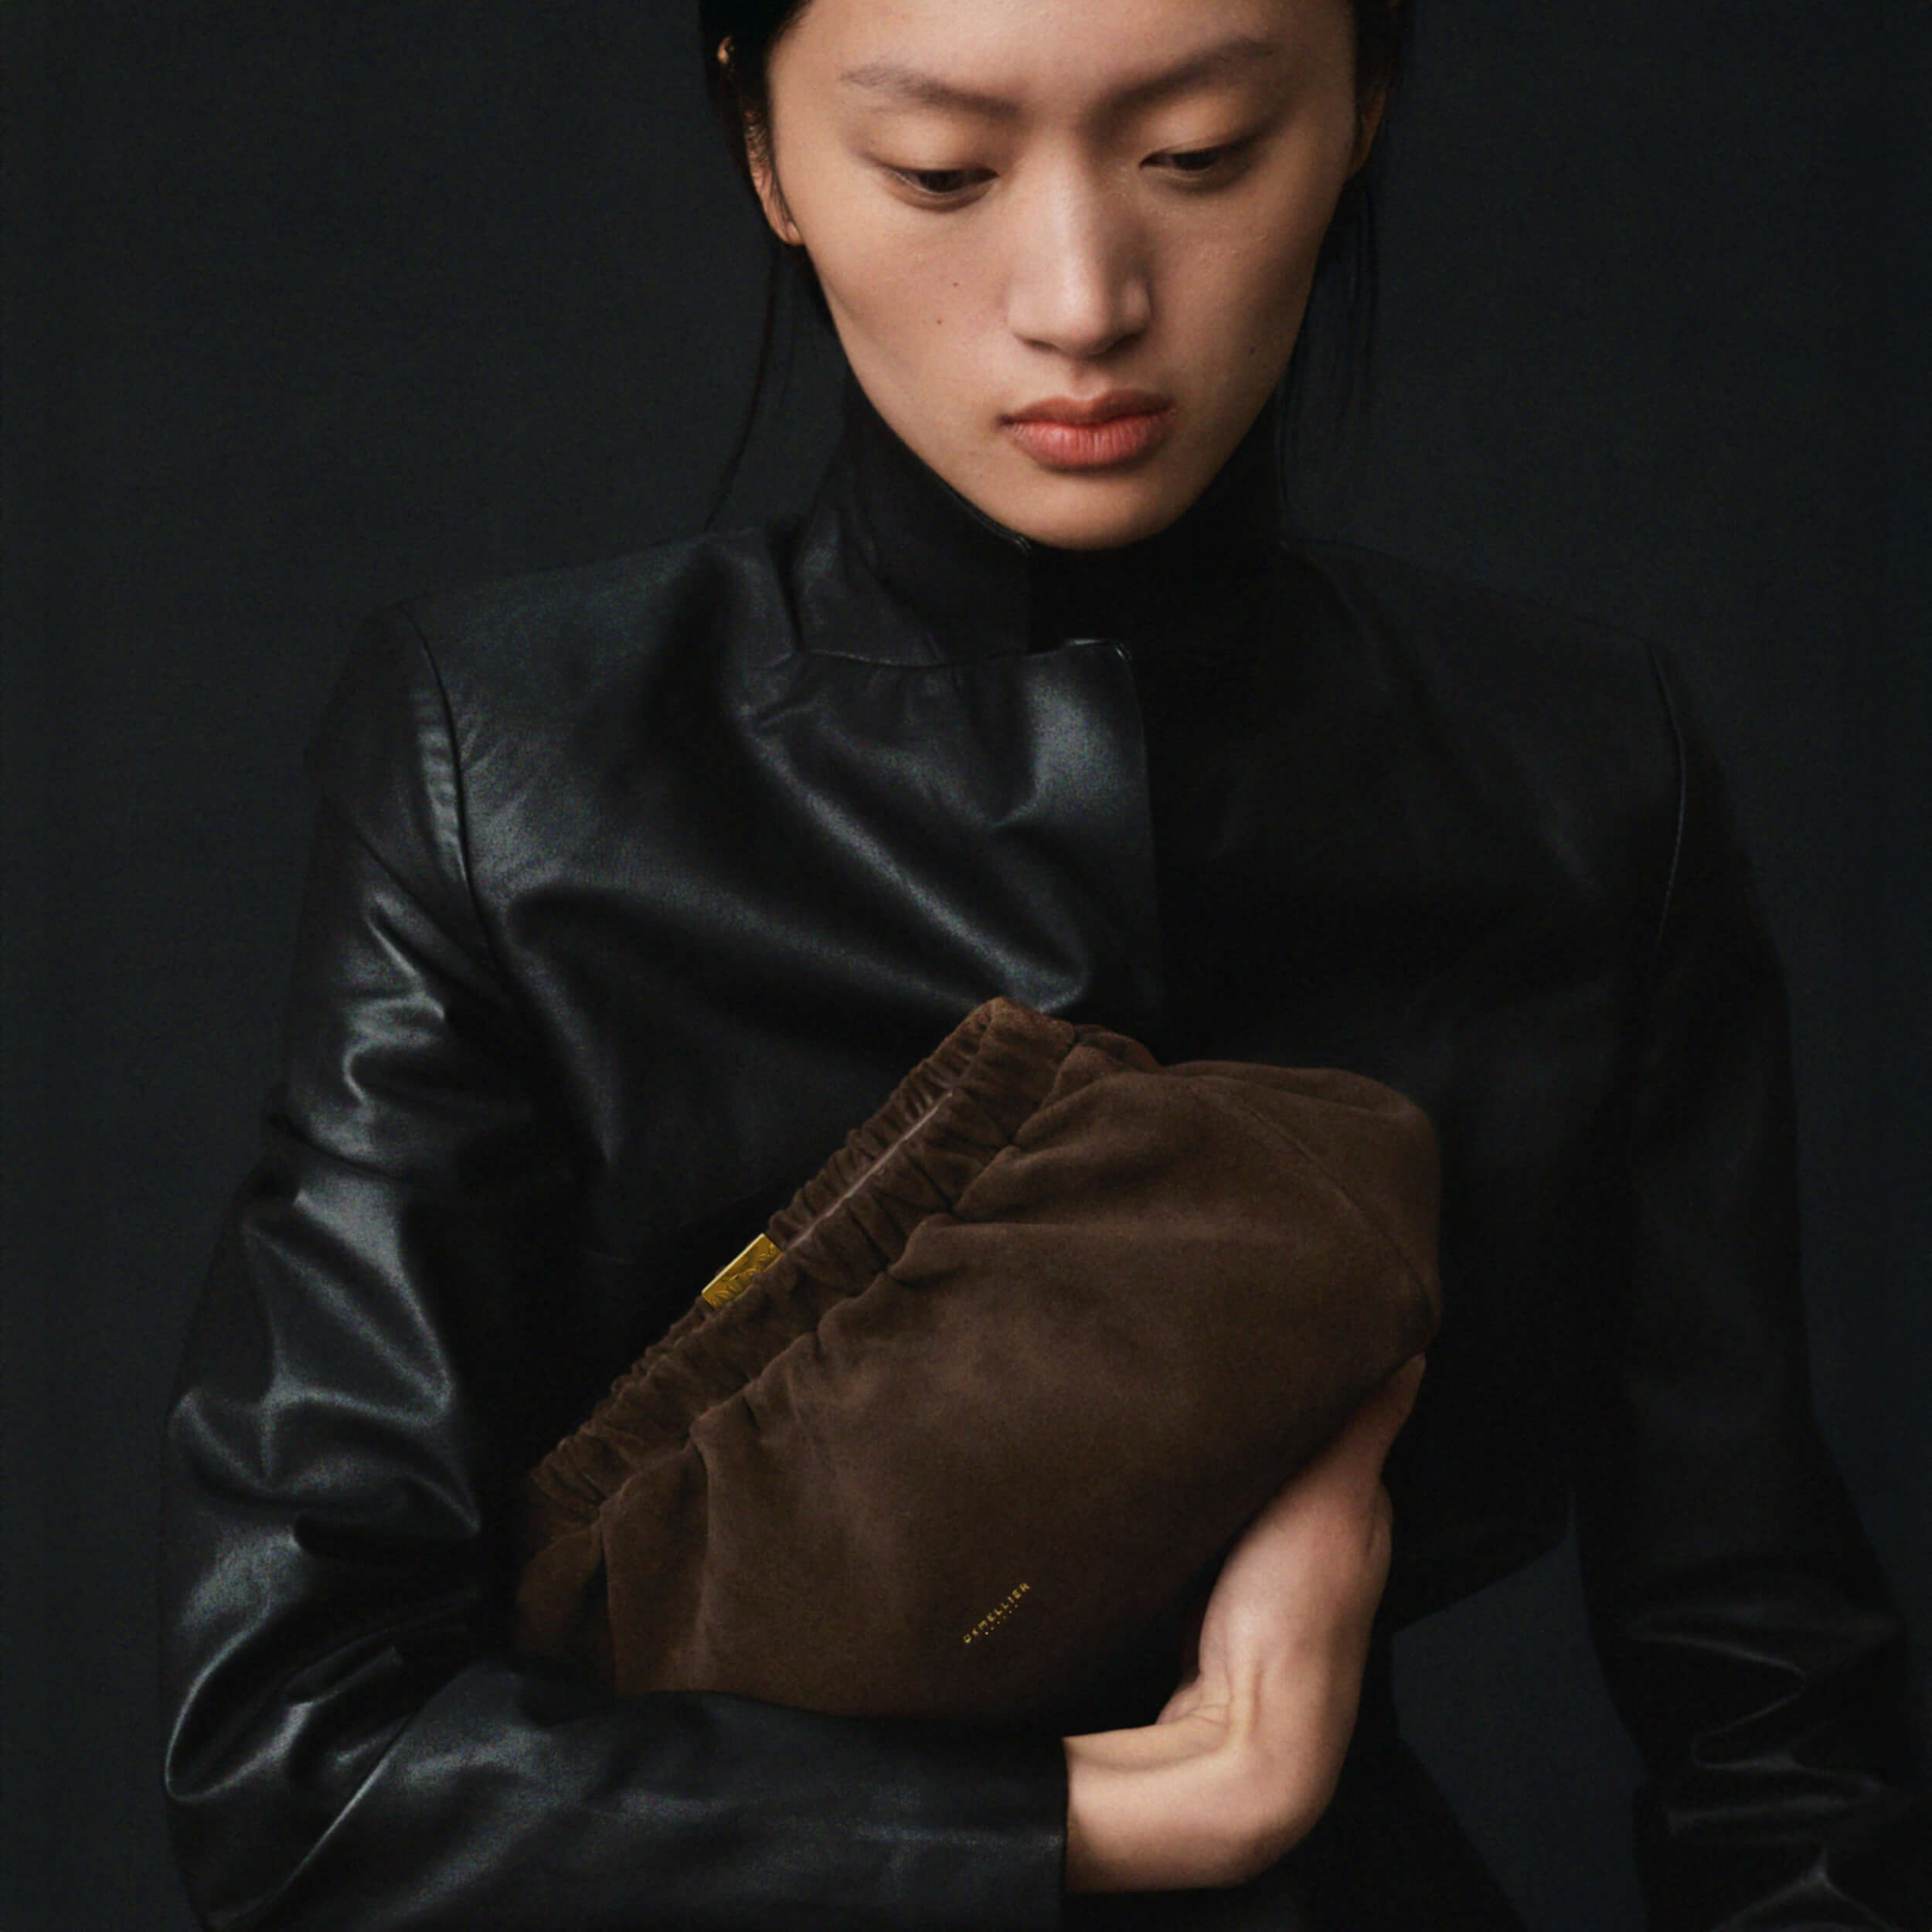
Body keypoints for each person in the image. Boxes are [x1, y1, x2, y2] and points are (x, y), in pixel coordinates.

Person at [156, 1, 1930, 1927]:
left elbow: (1774, 1719)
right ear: (762, 150)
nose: (1080, 300)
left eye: (1198, 154)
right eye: (941, 171)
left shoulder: (1575, 777)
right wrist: (1150, 1806)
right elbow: (299, 1768)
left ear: (1361, 107)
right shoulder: (508, 765)